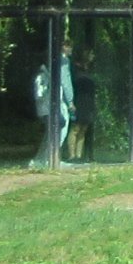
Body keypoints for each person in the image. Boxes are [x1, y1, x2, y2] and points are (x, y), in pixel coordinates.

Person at [32, 37, 75, 168]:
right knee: (61, 127)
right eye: (69, 46)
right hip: (57, 101)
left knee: (54, 129)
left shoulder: (49, 63)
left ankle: (45, 158)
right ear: (64, 47)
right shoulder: (62, 61)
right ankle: (51, 157)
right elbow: (65, 82)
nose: (71, 50)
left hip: (50, 102)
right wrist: (70, 100)